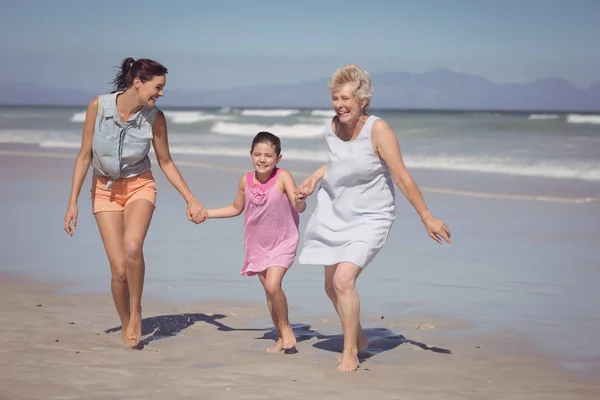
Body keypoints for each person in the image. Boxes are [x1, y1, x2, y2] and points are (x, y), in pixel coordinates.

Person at [296, 63, 451, 372]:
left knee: (343, 280)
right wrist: (314, 178)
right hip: (336, 211)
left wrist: (427, 217)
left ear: (362, 101)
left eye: (346, 99)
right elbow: (337, 163)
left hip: (371, 216)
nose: (340, 105)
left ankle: (350, 352)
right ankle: (362, 339)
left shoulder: (377, 130)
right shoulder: (332, 126)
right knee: (331, 286)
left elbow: (403, 177)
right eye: (335, 98)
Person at [63, 57, 207, 346]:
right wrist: (73, 203)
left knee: (132, 248)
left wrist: (190, 199)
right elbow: (84, 156)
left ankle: (137, 308)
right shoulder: (98, 107)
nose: (161, 93)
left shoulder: (156, 118)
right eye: (158, 87)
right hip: (104, 190)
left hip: (140, 185)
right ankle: (125, 319)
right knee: (118, 270)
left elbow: (165, 162)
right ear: (138, 83)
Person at [205, 132, 306, 353]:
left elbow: (298, 206)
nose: (262, 159)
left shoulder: (283, 176)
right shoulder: (245, 180)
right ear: (251, 155)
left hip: (283, 240)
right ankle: (280, 338)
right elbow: (235, 208)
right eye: (258, 154)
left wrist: (300, 199)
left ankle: (287, 327)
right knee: (270, 292)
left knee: (273, 285)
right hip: (257, 244)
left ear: (278, 158)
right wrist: (206, 213)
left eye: (269, 155)